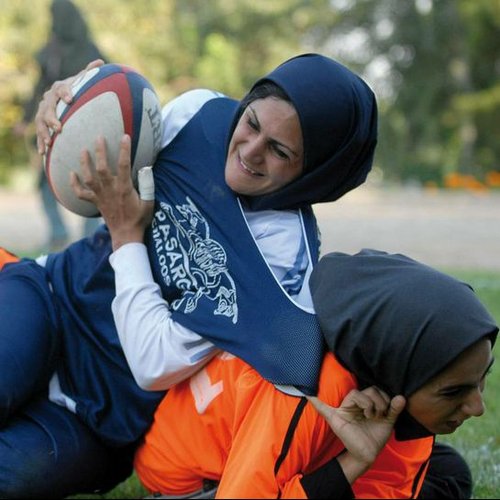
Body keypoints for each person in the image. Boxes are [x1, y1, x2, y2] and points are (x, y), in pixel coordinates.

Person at [1, 53, 377, 498]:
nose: (249, 151)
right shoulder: (199, 113)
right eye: (252, 123)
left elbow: (153, 364)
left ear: (317, 172)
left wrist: (127, 237)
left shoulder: (282, 261)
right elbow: (106, 146)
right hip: (51, 301)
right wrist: (63, 107)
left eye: (279, 151)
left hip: (104, 413)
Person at [133, 249, 498, 499]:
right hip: (197, 482)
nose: (477, 406)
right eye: (454, 392)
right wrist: (352, 462)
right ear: (398, 373)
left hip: (274, 453)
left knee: (448, 472)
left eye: (482, 379)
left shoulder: (386, 370)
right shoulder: (302, 385)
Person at [13, 0, 105, 252]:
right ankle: (61, 233)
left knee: (91, 183)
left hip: (76, 131)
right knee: (48, 184)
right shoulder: (57, 52)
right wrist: (24, 120)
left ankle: (86, 238)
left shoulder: (85, 51)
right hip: (60, 131)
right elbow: (39, 90)